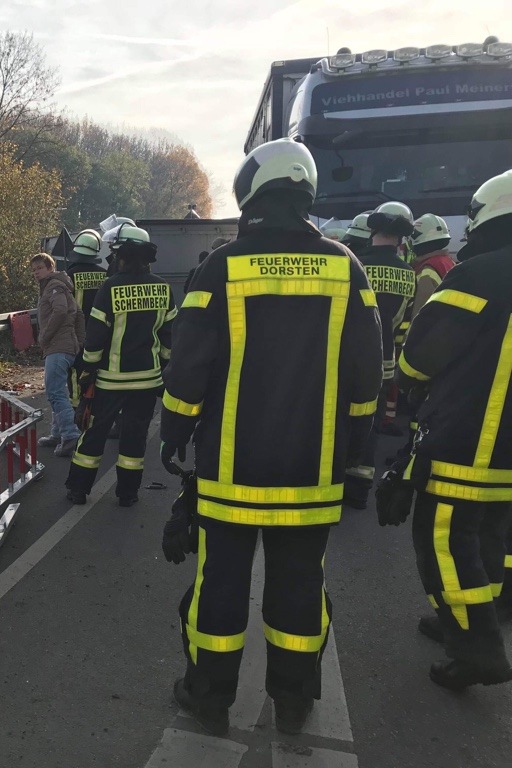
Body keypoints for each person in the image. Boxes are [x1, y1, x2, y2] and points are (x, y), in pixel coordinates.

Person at [159, 138, 382, 736]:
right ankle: (293, 701)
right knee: (300, 589)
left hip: (231, 471)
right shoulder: (346, 267)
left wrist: (174, 430)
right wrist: (355, 442)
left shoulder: (221, 266)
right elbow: (366, 369)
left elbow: (189, 366)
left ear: (253, 189)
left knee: (220, 590)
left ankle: (208, 699)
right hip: (313, 473)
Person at [393, 170, 512, 689]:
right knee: (491, 537)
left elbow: (418, 361)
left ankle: (476, 646)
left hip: (469, 442)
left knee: (444, 539)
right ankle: (473, 621)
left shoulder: (477, 276)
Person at [65, 224, 175, 507]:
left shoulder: (110, 287)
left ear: (122, 257)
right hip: (148, 382)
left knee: (94, 434)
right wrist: (163, 367)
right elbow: (169, 336)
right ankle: (128, 493)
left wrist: (87, 371)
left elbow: (96, 337)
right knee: (135, 438)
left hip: (110, 381)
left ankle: (79, 490)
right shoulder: (163, 287)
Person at [343, 201, 416, 508]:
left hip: (345, 361)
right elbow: (405, 326)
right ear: (403, 239)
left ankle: (333, 483)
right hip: (385, 365)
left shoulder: (354, 265)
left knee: (339, 420)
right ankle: (359, 490)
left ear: (372, 229)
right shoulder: (409, 273)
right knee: (369, 425)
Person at [31, 252, 83, 457]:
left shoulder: (54, 287)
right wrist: (79, 342)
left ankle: (70, 435)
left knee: (55, 392)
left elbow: (61, 311)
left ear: (50, 267)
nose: (36, 273)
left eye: (40, 268)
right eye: (34, 270)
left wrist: (44, 337)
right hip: (65, 346)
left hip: (58, 347)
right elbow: (78, 314)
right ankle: (57, 433)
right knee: (57, 391)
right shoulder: (58, 286)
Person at [64, 229, 109, 408]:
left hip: (76, 333)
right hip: (101, 332)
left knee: (75, 370)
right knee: (96, 371)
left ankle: (76, 408)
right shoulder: (105, 275)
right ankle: (95, 407)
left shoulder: (70, 275)